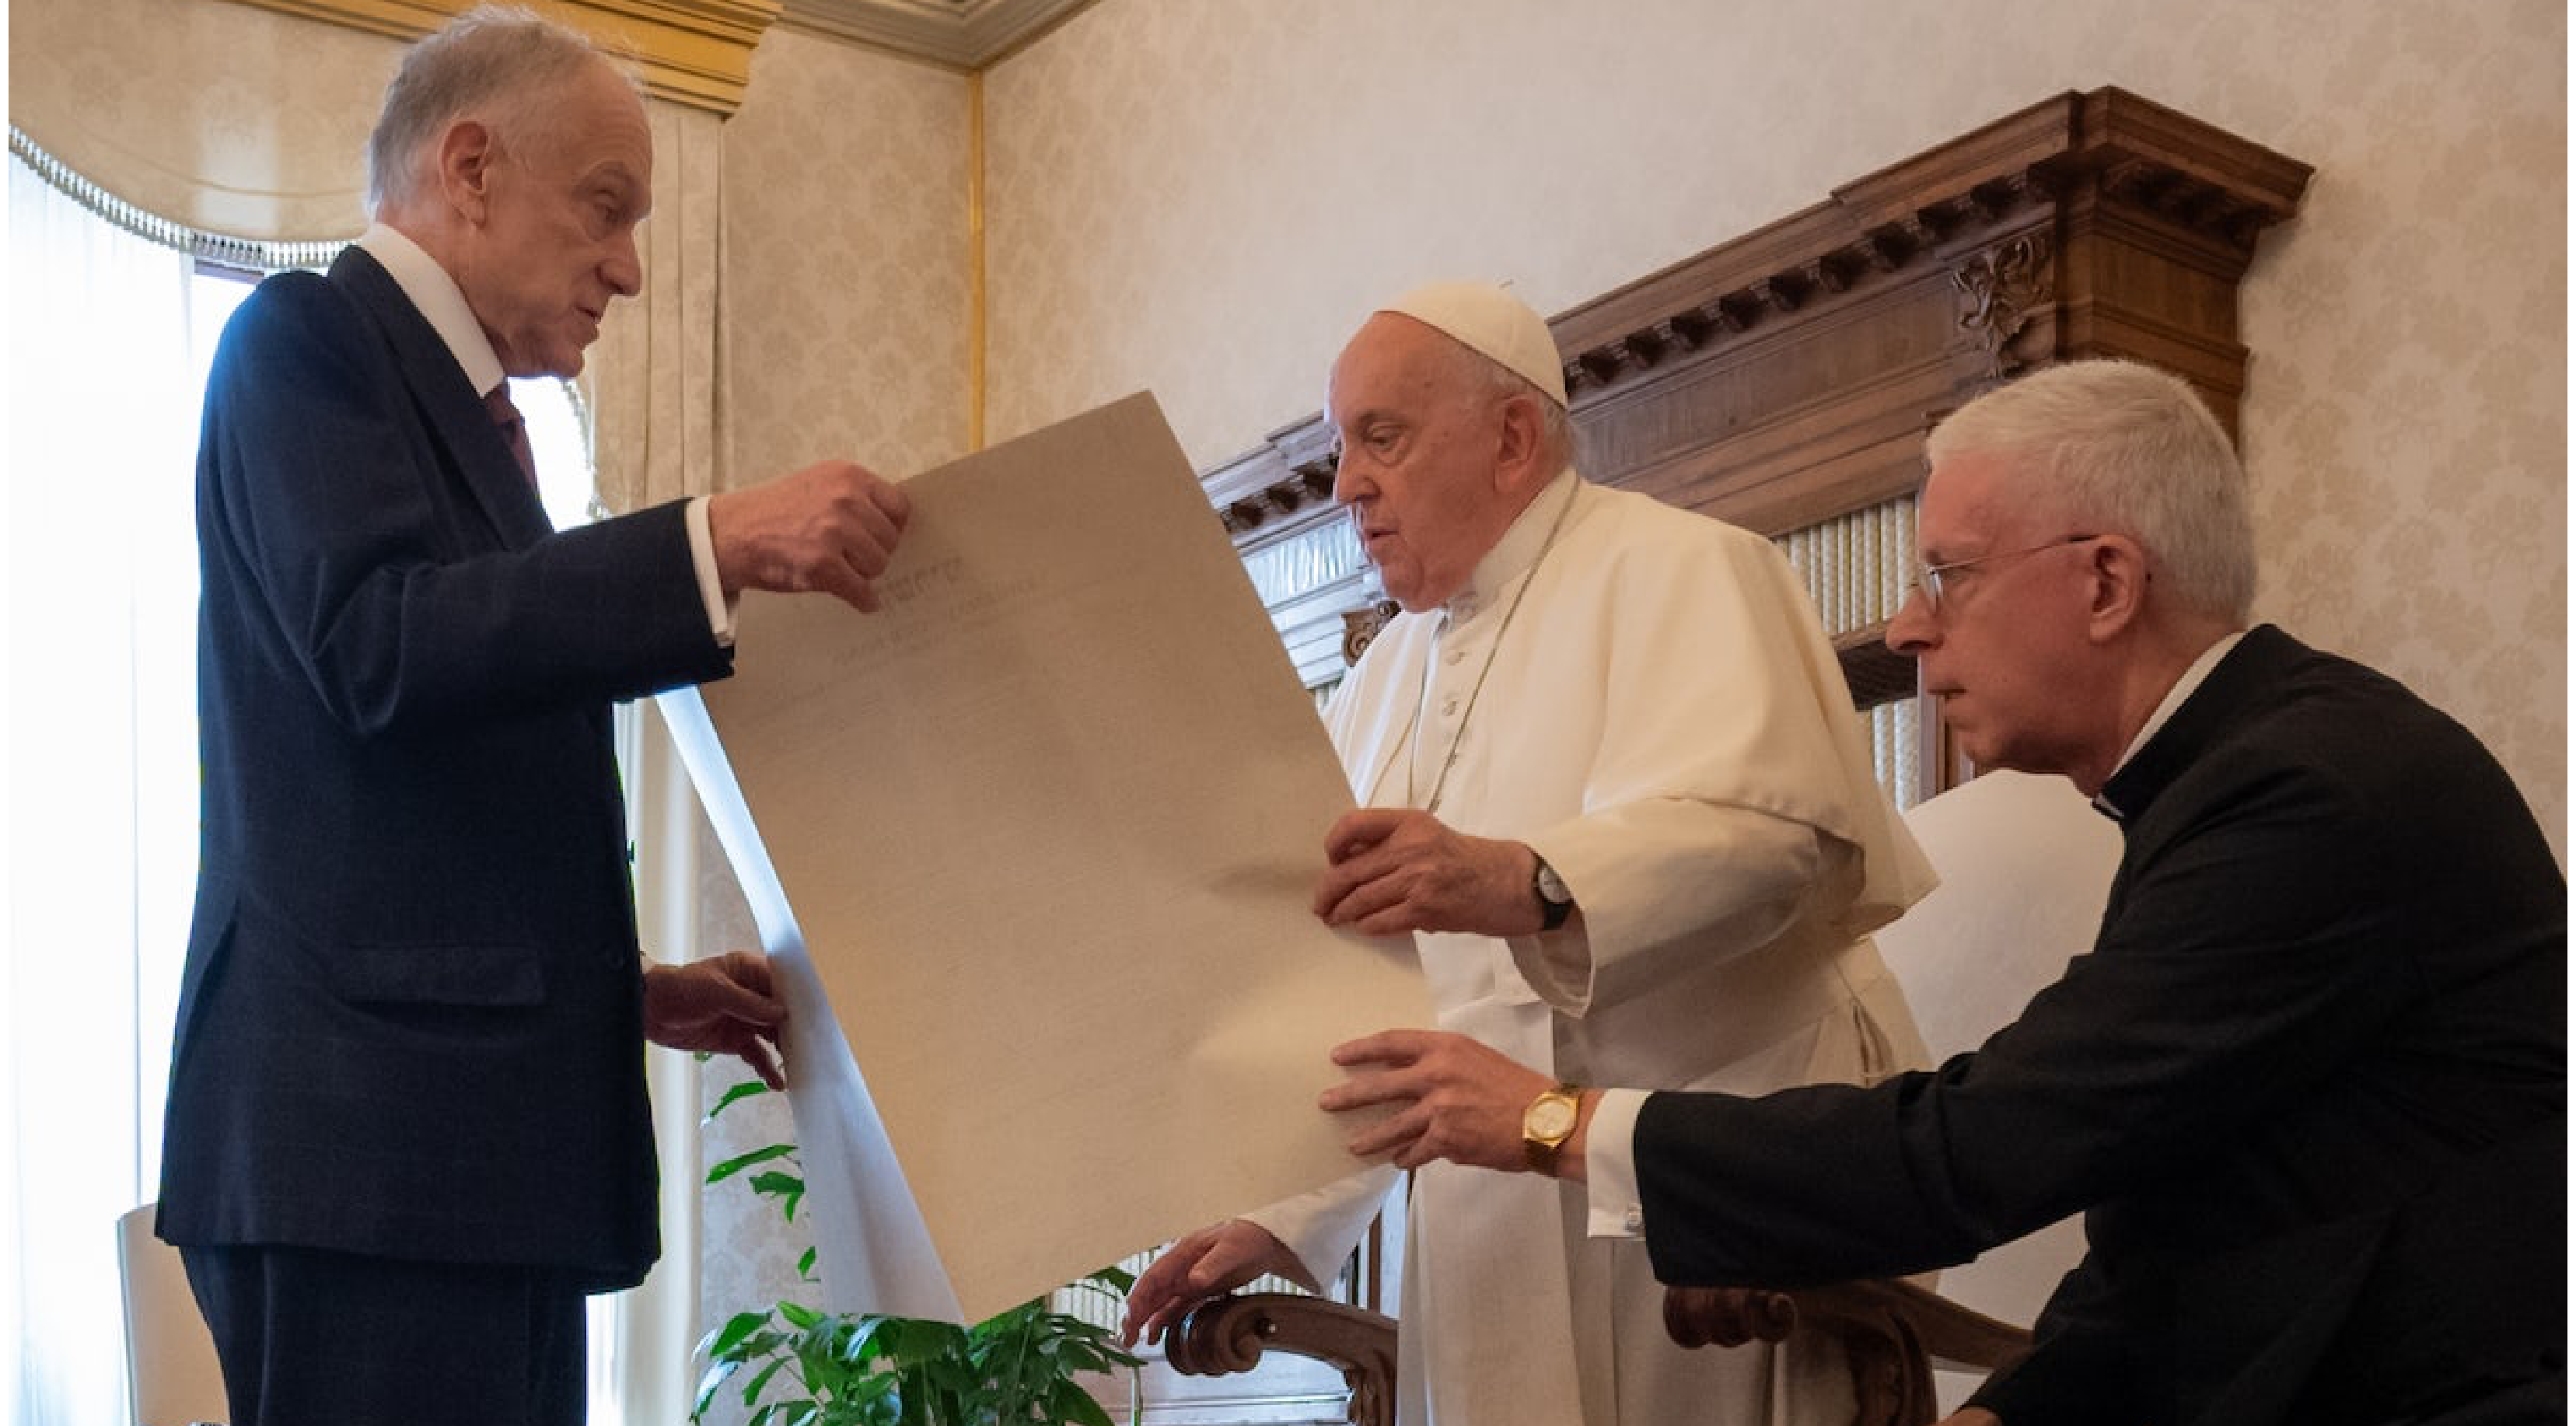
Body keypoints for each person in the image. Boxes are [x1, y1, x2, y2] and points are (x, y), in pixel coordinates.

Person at [1323, 359, 2567, 1425]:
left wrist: (1550, 1122)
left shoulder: (2304, 793)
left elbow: (1979, 1150)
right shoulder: (2236, 773)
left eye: (1947, 574)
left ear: (2106, 583)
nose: (1908, 627)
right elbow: (2186, 1223)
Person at [154, 9, 918, 1423]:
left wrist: (619, 988)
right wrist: (709, 539)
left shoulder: (466, 418)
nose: (628, 267)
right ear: (471, 170)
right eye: (606, 207)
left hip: (452, 1160)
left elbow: (419, 797)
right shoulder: (302, 339)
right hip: (368, 1165)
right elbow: (380, 646)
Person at [1120, 281, 1938, 1425]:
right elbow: (1363, 994)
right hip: (1485, 1206)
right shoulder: (1380, 679)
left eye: (1383, 437)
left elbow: (1780, 840)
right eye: (1343, 448)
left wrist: (1527, 879)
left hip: (1704, 1178)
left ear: (1512, 438)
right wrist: (1284, 1215)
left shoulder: (1687, 566)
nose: (1347, 484)